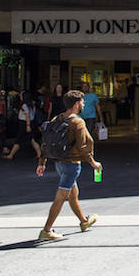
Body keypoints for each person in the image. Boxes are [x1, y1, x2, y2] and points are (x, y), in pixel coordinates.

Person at [36, 89, 101, 241]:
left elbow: (46, 141)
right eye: (82, 101)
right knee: (60, 198)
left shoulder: (57, 118)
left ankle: (84, 222)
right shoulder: (78, 122)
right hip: (71, 165)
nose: (84, 103)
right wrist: (93, 163)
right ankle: (46, 230)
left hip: (59, 163)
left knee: (73, 195)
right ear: (77, 104)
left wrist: (42, 162)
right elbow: (83, 146)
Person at [6, 90, 41, 161]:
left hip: (24, 123)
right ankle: (39, 154)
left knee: (19, 139)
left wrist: (28, 125)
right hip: (31, 122)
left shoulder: (24, 105)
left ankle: (11, 155)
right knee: (32, 139)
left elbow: (27, 115)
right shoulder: (31, 104)